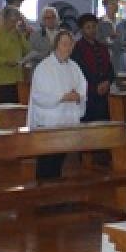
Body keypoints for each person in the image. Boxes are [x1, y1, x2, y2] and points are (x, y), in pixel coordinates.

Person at [27, 27, 87, 179]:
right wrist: (61, 97)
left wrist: (78, 95)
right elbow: (39, 95)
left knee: (60, 162)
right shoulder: (44, 67)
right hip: (49, 124)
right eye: (64, 44)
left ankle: (55, 197)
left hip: (66, 122)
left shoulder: (74, 66)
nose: (68, 48)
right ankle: (42, 196)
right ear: (56, 45)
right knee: (47, 162)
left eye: (70, 44)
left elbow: (83, 85)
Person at [73, 14, 115, 122]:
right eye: (88, 27)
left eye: (94, 26)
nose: (92, 30)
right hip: (88, 94)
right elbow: (80, 71)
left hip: (104, 95)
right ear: (82, 30)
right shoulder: (77, 48)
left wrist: (107, 82)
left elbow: (111, 70)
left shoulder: (102, 47)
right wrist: (95, 86)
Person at [0, 6, 27, 104]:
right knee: (2, 108)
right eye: (12, 21)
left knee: (15, 109)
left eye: (16, 21)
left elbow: (27, 50)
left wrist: (21, 35)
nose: (14, 24)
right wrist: (5, 61)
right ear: (5, 19)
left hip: (17, 78)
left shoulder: (17, 34)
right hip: (1, 79)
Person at [100, 0, 126, 74]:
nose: (115, 6)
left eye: (117, 4)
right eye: (112, 4)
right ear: (105, 6)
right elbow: (98, 41)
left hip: (120, 60)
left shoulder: (122, 22)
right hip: (105, 60)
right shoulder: (99, 23)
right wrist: (110, 39)